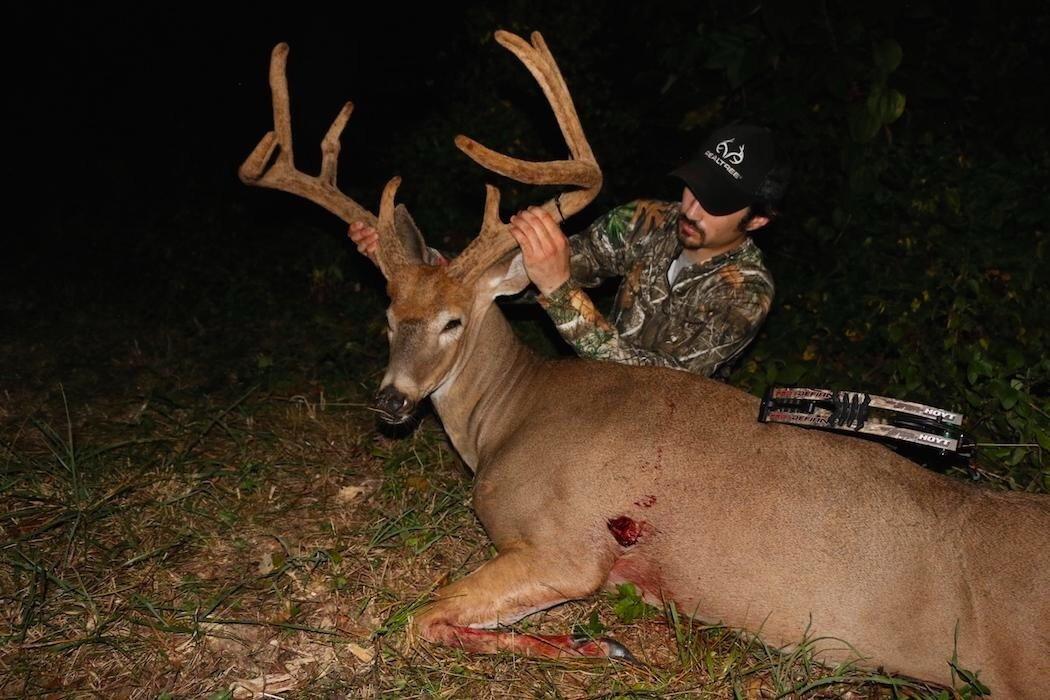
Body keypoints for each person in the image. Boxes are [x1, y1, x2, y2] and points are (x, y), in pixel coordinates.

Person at [350, 123, 788, 378]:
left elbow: (662, 384)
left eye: (716, 203)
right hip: (591, 390)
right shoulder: (647, 220)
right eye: (694, 187)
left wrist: (561, 293)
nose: (691, 208)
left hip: (669, 421)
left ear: (757, 220)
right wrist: (427, 270)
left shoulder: (746, 292)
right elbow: (531, 274)